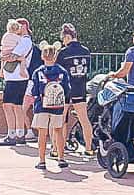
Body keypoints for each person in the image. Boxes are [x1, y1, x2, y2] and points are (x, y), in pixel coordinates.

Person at [29, 41, 71, 172]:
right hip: (57, 106)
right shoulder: (62, 71)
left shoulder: (38, 72)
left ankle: (42, 161)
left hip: (42, 106)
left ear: (42, 56)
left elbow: (34, 90)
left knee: (42, 133)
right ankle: (61, 158)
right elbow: (67, 89)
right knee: (58, 131)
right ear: (55, 56)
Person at [57, 24, 94, 155]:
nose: (63, 42)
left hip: (66, 89)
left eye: (63, 39)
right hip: (80, 87)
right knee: (84, 119)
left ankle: (58, 148)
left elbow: (57, 71)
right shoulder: (86, 51)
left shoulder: (63, 52)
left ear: (67, 37)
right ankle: (89, 148)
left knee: (61, 118)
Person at [0, 19, 32, 145]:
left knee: (7, 105)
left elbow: (12, 56)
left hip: (14, 77)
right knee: (17, 106)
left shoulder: (24, 41)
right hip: (18, 77)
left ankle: (11, 135)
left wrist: (5, 57)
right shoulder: (23, 40)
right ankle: (20, 134)